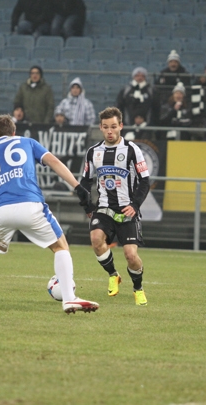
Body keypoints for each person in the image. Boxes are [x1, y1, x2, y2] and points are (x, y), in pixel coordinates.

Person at [0, 115, 99, 314]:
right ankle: (68, 298)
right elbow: (53, 162)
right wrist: (77, 186)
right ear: (14, 132)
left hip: (0, 210)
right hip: (31, 205)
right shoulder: (27, 142)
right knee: (60, 246)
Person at [79, 107, 150, 306]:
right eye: (105, 127)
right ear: (100, 128)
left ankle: (138, 288)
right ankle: (113, 274)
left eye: (113, 126)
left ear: (121, 126)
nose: (110, 131)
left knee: (131, 255)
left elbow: (145, 181)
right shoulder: (93, 152)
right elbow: (85, 182)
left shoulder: (132, 150)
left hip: (127, 209)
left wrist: (135, 205)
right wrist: (88, 207)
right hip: (104, 208)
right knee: (95, 239)